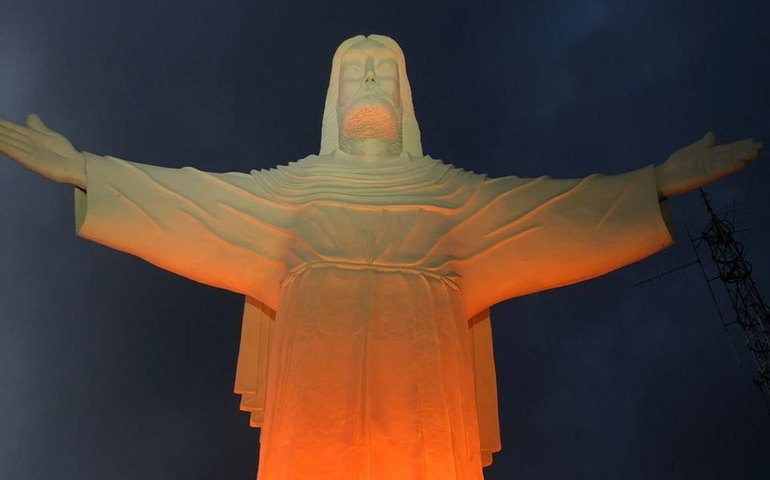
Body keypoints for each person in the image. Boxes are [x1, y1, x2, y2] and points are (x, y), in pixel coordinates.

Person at [0, 34, 762, 480]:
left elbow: (555, 214)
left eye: (383, 71)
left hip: (425, 416)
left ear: (403, 97)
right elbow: (189, 201)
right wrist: (87, 170)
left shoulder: (453, 199)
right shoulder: (290, 194)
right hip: (313, 418)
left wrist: (654, 185)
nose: (370, 79)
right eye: (357, 71)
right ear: (335, 99)